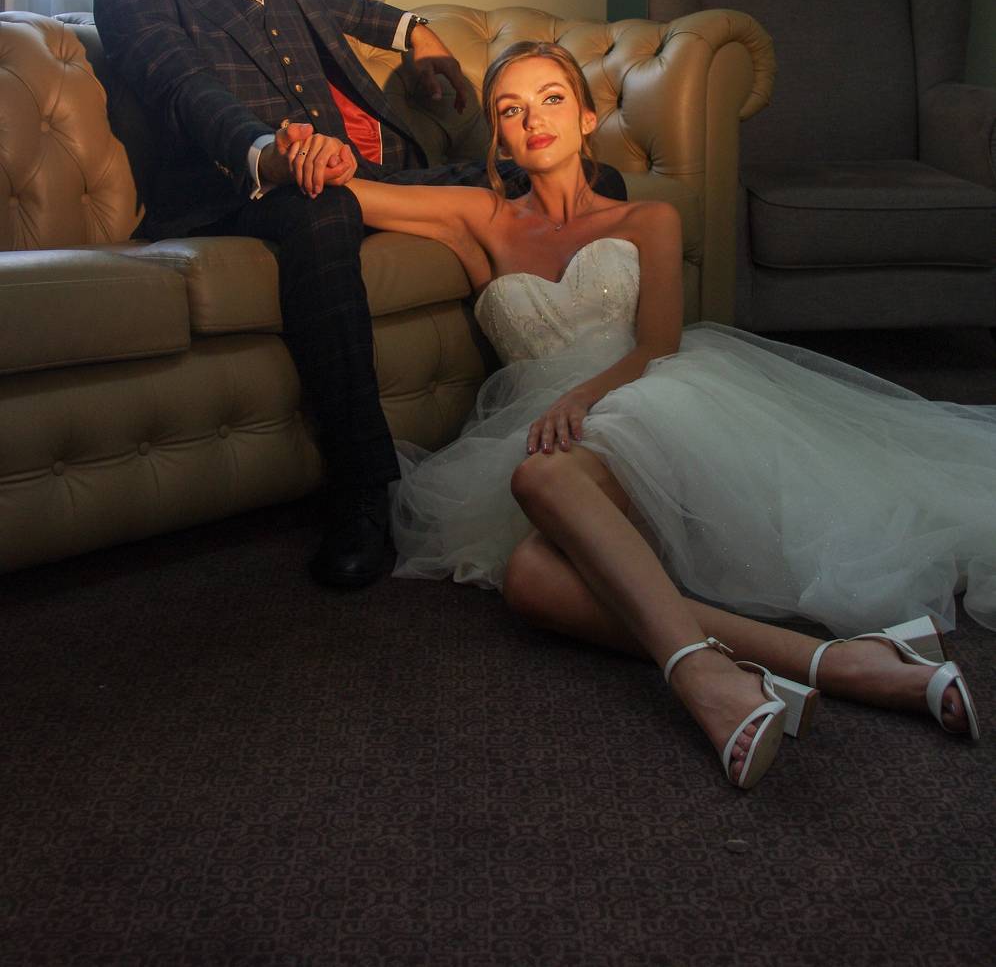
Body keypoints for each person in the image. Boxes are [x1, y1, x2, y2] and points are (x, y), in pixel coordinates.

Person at [295, 38, 991, 789]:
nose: (534, 120)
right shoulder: (482, 217)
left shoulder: (647, 218)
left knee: (539, 481)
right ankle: (830, 663)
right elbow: (349, 189)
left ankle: (707, 673)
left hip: (649, 398)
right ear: (497, 137)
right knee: (530, 579)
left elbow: (659, 344)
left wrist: (580, 397)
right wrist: (303, 149)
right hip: (547, 428)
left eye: (552, 100)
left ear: (587, 118)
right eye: (511, 110)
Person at [93, 0, 626, 590]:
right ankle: (361, 486)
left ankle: (609, 411)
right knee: (322, 212)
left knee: (586, 179)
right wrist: (269, 150)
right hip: (234, 188)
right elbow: (181, 88)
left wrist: (415, 31)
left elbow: (332, 3)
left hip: (352, 175)